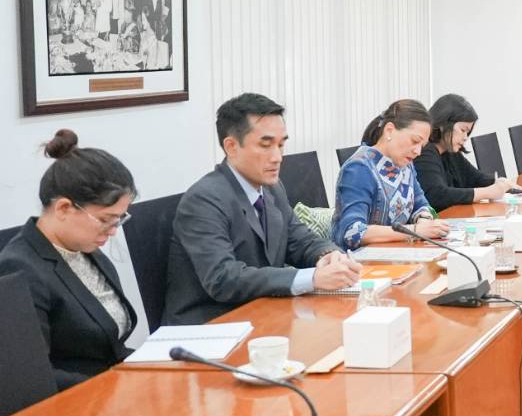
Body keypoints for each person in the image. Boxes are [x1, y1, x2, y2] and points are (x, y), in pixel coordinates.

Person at [163, 94, 362, 326]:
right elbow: (223, 278)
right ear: (231, 146)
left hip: (262, 314)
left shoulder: (272, 189)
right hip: (210, 326)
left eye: (281, 145)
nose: (277, 157)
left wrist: (328, 256)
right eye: (265, 145)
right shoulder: (204, 200)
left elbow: (300, 241)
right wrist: (312, 278)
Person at [0, 130, 139, 390]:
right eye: (106, 220)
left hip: (113, 384)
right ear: (64, 208)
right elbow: (32, 375)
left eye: (119, 220)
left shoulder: (85, 248)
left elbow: (111, 343)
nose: (113, 231)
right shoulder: (19, 268)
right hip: (76, 400)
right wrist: (114, 388)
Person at [332, 99, 449, 249]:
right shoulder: (359, 168)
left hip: (396, 253)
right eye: (415, 141)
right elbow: (352, 232)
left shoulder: (405, 165)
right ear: (389, 130)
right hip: (360, 260)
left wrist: (424, 220)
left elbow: (421, 204)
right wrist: (415, 231)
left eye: (422, 146)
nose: (418, 151)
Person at [414, 93, 518, 211]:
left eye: (467, 132)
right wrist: (487, 192)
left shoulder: (450, 151)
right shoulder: (425, 152)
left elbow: (475, 178)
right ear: (443, 124)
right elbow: (436, 195)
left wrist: (499, 182)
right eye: (463, 130)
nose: (465, 137)